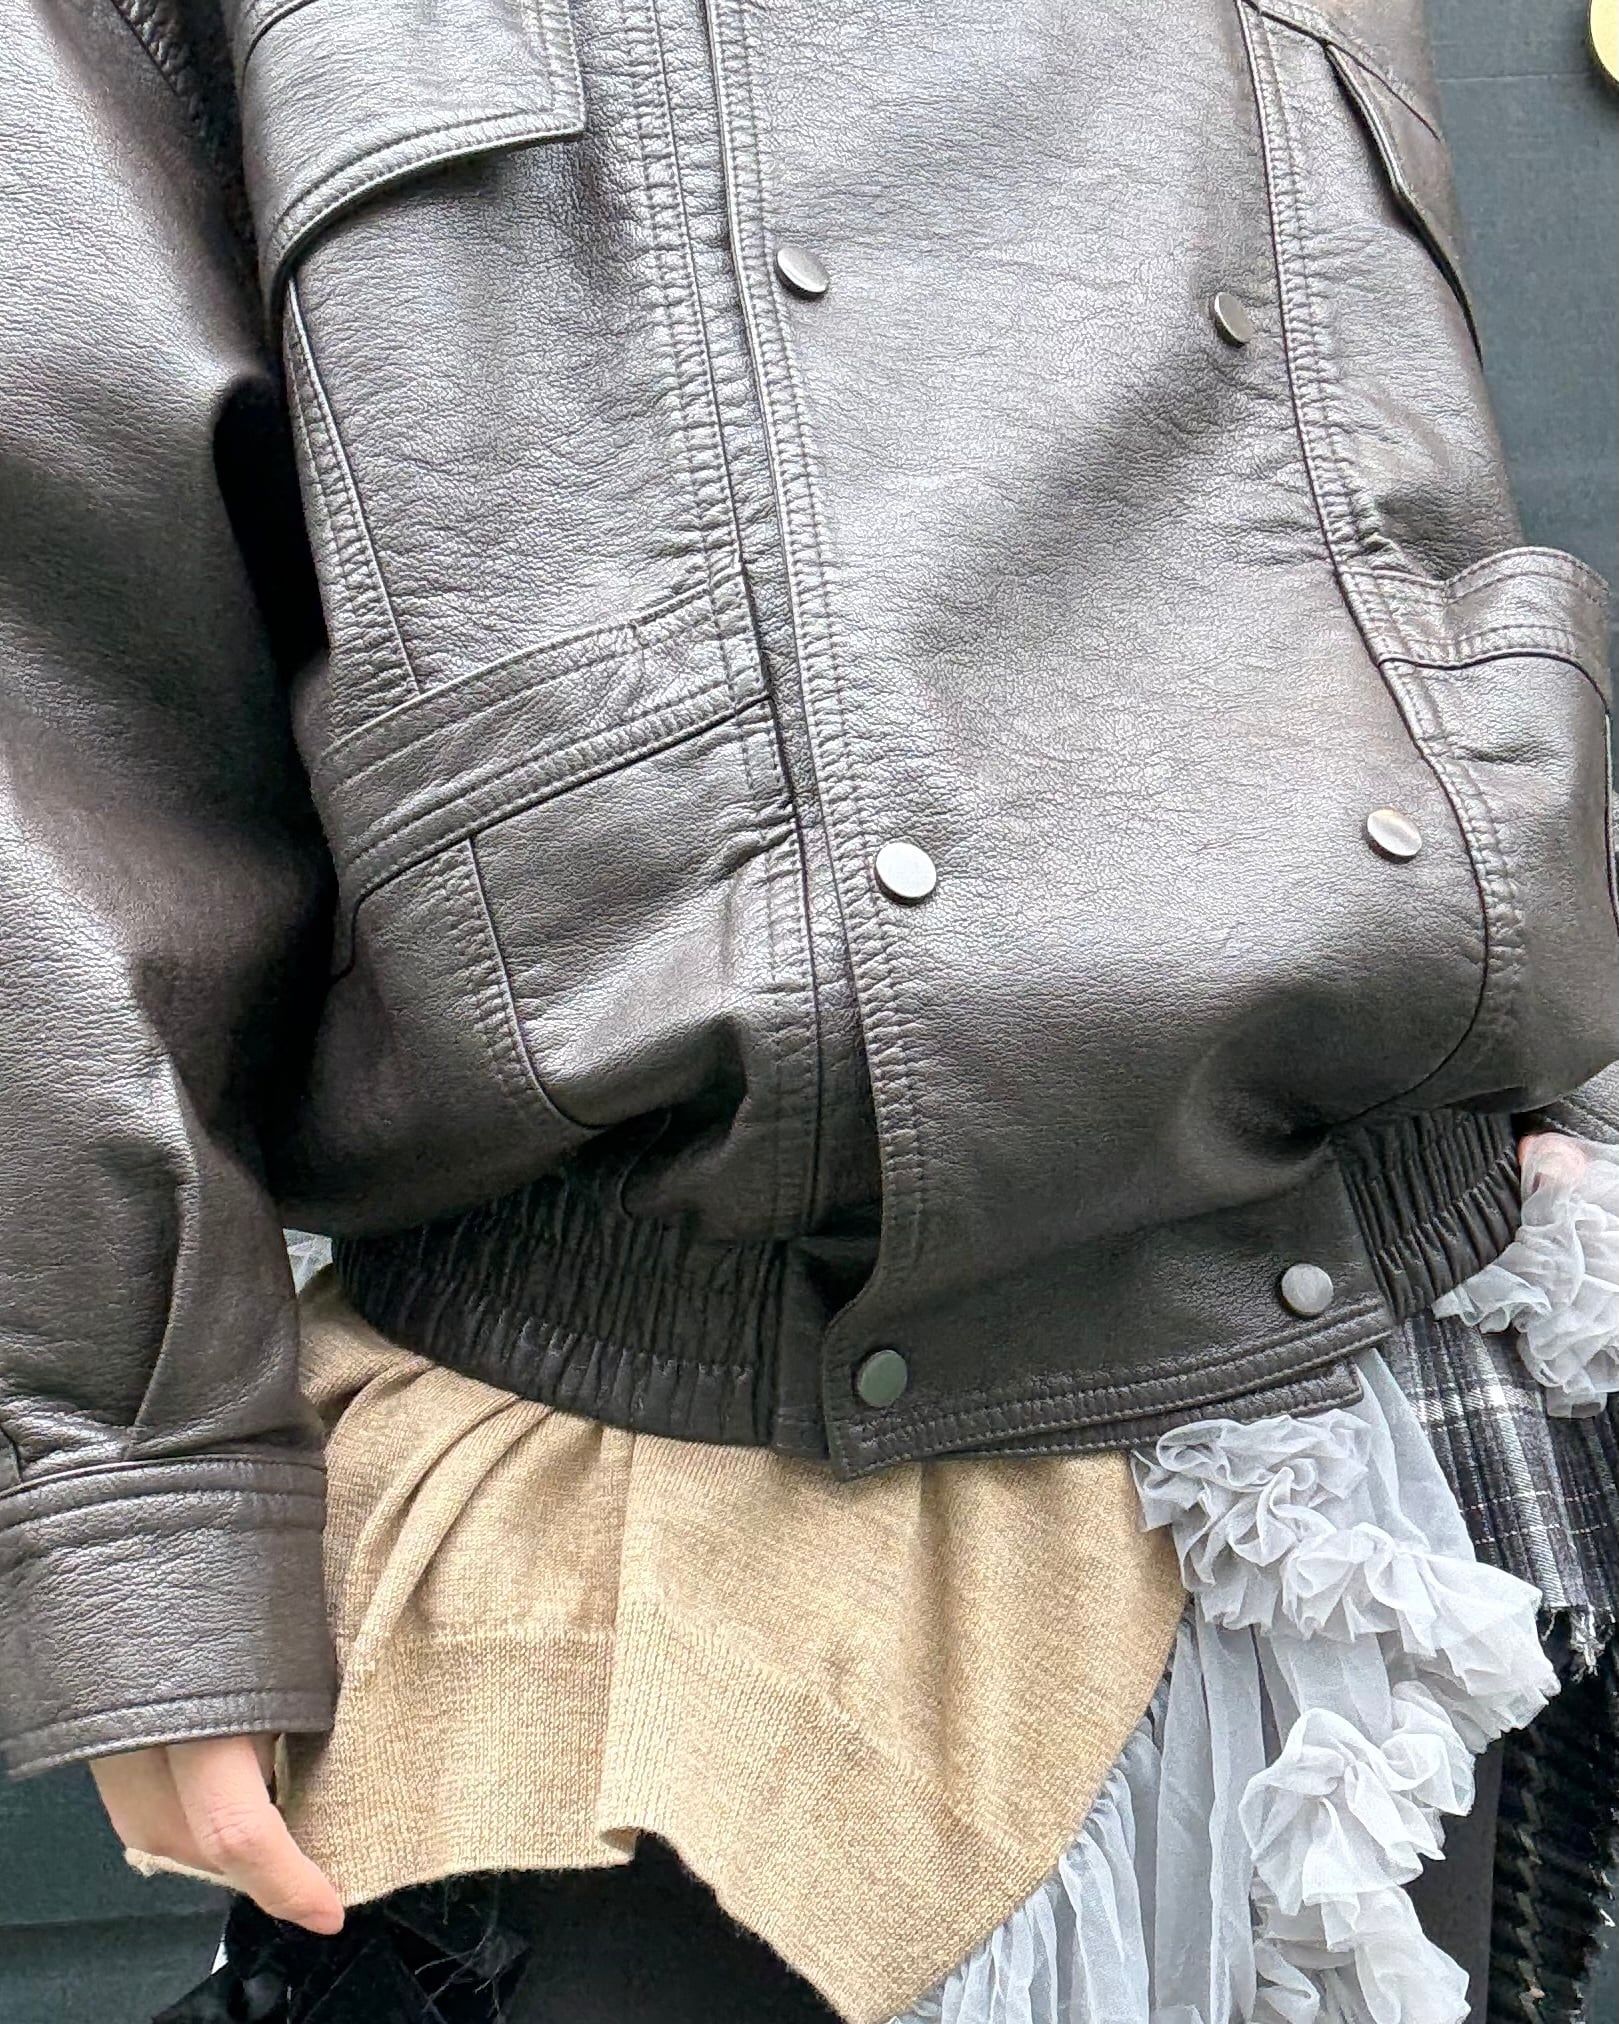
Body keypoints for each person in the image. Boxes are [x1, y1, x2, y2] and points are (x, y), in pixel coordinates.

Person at [1, 1, 1615, 2018]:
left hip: (1375, 1392)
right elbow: (64, 668)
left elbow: (1360, 444)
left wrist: (1539, 1017)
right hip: (656, 1483)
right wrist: (134, 1494)